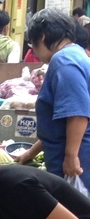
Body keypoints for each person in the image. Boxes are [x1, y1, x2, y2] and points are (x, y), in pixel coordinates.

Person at [15, 8, 90, 191]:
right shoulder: (76, 54)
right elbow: (59, 123)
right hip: (75, 156)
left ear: (42, 37)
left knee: (76, 214)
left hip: (77, 163)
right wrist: (31, 153)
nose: (34, 51)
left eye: (32, 44)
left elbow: (77, 113)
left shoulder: (63, 61)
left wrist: (71, 157)